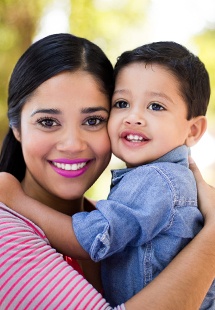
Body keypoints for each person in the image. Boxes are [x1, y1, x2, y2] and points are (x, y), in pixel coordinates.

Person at [0, 34, 215, 310]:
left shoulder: (109, 213)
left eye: (93, 120)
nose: (72, 144)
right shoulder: (7, 233)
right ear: (17, 127)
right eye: (48, 121)